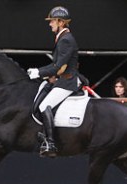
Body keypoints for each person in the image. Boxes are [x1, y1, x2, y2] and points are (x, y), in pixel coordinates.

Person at [27, 6, 84, 157]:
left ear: (60, 22)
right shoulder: (62, 39)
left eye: (52, 21)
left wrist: (39, 72)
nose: (50, 24)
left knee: (45, 105)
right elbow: (56, 67)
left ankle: (50, 142)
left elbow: (59, 66)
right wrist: (40, 72)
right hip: (62, 79)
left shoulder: (66, 40)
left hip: (67, 82)